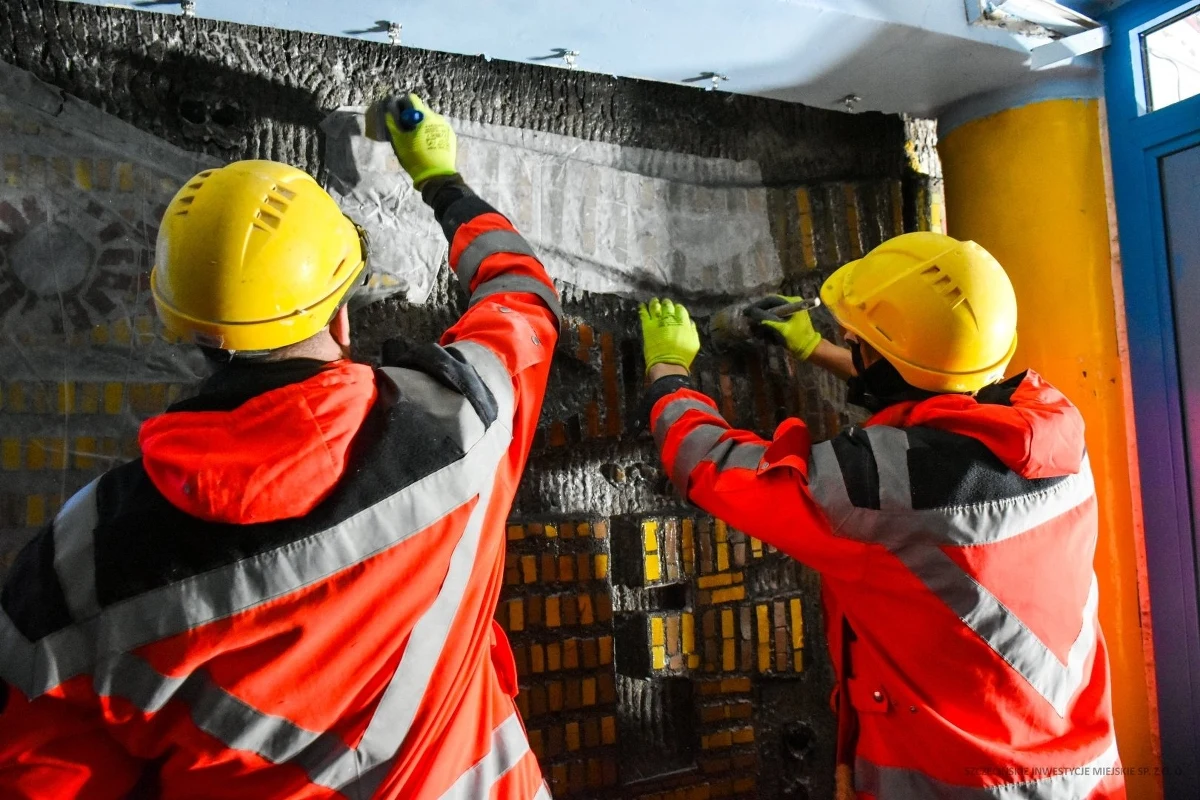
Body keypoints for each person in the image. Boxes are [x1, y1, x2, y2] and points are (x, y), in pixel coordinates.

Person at [0, 94, 556, 799]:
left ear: (185, 328)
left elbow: (38, 774)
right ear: (343, 317)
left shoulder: (76, 570)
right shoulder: (462, 422)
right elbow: (522, 296)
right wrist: (439, 176)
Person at [637, 232, 1125, 799]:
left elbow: (715, 468)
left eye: (858, 339)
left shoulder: (875, 493)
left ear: (885, 360)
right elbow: (946, 404)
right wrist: (816, 350)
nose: (846, 336)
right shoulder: (1058, 434)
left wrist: (667, 372)